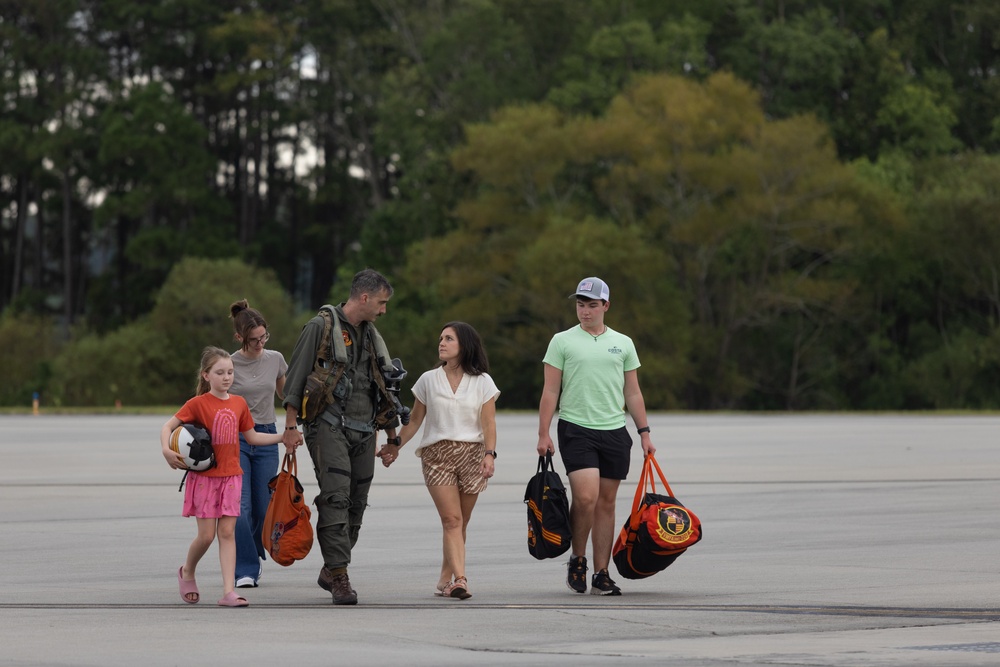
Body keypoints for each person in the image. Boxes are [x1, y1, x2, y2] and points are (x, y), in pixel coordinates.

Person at [281, 269, 401, 605]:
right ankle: (339, 575)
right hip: (328, 425)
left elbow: (384, 386)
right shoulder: (320, 327)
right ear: (364, 298)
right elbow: (296, 379)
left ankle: (331, 567)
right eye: (381, 302)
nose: (383, 310)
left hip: (365, 429)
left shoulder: (370, 335)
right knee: (335, 498)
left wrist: (393, 437)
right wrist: (291, 427)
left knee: (356, 505)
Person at [536, 277, 656, 596]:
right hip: (576, 428)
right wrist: (543, 432)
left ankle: (602, 573)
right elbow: (551, 389)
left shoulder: (623, 343)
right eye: (580, 304)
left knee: (606, 502)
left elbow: (632, 392)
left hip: (615, 430)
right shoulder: (562, 341)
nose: (585, 311)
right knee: (586, 497)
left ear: (605, 306)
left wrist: (644, 432)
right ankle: (578, 559)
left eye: (591, 305)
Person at [377, 322, 499, 600]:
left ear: (464, 346)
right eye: (440, 338)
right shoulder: (428, 379)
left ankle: (445, 580)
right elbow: (416, 420)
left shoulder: (483, 382)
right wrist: (394, 445)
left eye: (448, 339)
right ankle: (461, 580)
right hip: (437, 456)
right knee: (451, 519)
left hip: (473, 455)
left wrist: (490, 454)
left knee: (460, 522)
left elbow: (489, 423)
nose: (441, 343)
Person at [161, 346, 285, 608]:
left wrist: (283, 437)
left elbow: (252, 437)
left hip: (232, 478)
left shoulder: (239, 403)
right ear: (206, 375)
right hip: (206, 479)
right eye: (220, 372)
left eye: (230, 372)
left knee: (227, 533)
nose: (226, 377)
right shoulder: (198, 404)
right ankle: (187, 572)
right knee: (206, 536)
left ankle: (229, 591)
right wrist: (166, 449)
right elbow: (168, 426)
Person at [229, 299, 292, 588]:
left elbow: (286, 396)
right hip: (237, 438)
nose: (259, 344)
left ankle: (253, 549)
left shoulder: (275, 359)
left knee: (265, 507)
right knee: (241, 509)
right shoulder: (228, 364)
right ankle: (246, 568)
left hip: (266, 435)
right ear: (239, 337)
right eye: (253, 339)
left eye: (263, 337)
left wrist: (296, 422)